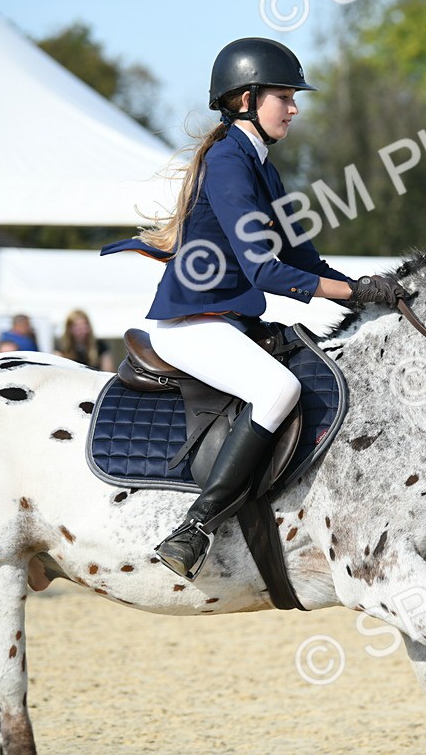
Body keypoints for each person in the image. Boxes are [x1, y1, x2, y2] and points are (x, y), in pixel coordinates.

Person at [102, 38, 407, 580]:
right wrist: (352, 294)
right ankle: (195, 528)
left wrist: (366, 286)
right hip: (192, 325)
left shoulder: (260, 165)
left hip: (229, 320)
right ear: (246, 99)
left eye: (293, 98)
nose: (294, 108)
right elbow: (266, 271)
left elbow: (302, 257)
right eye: (284, 97)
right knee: (278, 389)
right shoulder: (228, 162)